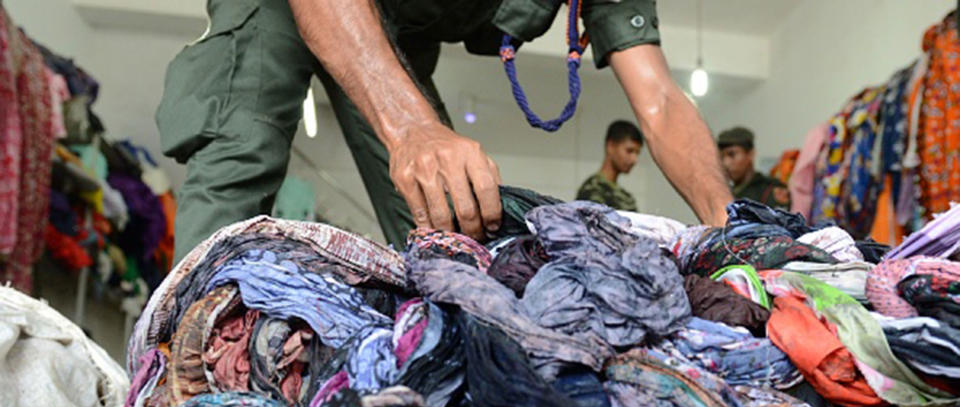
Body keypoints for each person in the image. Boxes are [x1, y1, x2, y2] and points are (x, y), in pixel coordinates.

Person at [158, 0, 733, 261]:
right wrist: (410, 128)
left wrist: (730, 227)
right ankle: (178, 389)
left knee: (451, 230)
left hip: (396, 24)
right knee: (242, 148)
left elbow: (657, 98)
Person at [717, 126, 791, 210]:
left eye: (732, 154)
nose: (725, 163)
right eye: (722, 157)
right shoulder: (725, 192)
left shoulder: (770, 190)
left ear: (750, 154)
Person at [576, 120, 643, 212]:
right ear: (610, 146)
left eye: (637, 153)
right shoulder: (592, 190)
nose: (634, 160)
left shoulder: (627, 198)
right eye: (629, 151)